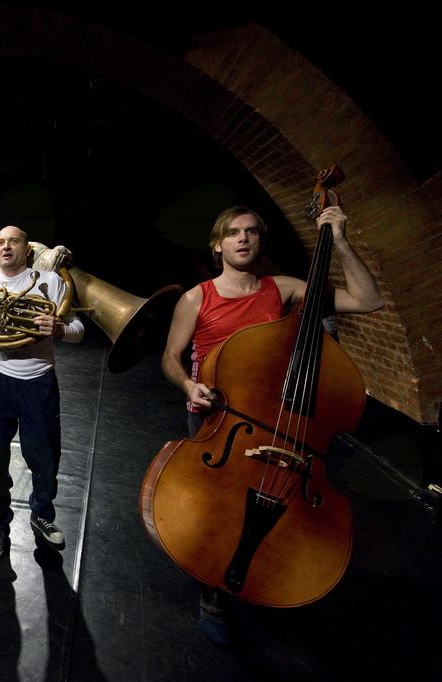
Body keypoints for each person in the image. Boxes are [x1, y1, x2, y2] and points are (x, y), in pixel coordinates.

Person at [160, 204, 383, 645]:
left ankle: (267, 572)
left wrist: (339, 242)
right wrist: (188, 385)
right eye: (232, 232)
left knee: (276, 502)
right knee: (214, 511)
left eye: (251, 231)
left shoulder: (282, 288)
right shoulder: (196, 297)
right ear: (217, 245)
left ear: (261, 240)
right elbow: (170, 357)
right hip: (218, 418)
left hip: (274, 416)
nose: (242, 238)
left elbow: (368, 301)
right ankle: (213, 592)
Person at [0, 225, 84, 561]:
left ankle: (41, 514)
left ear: (28, 250)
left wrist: (59, 329)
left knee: (44, 460)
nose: (5, 247)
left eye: (13, 241)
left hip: (39, 382)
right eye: (0, 242)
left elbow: (78, 329)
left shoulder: (50, 282)